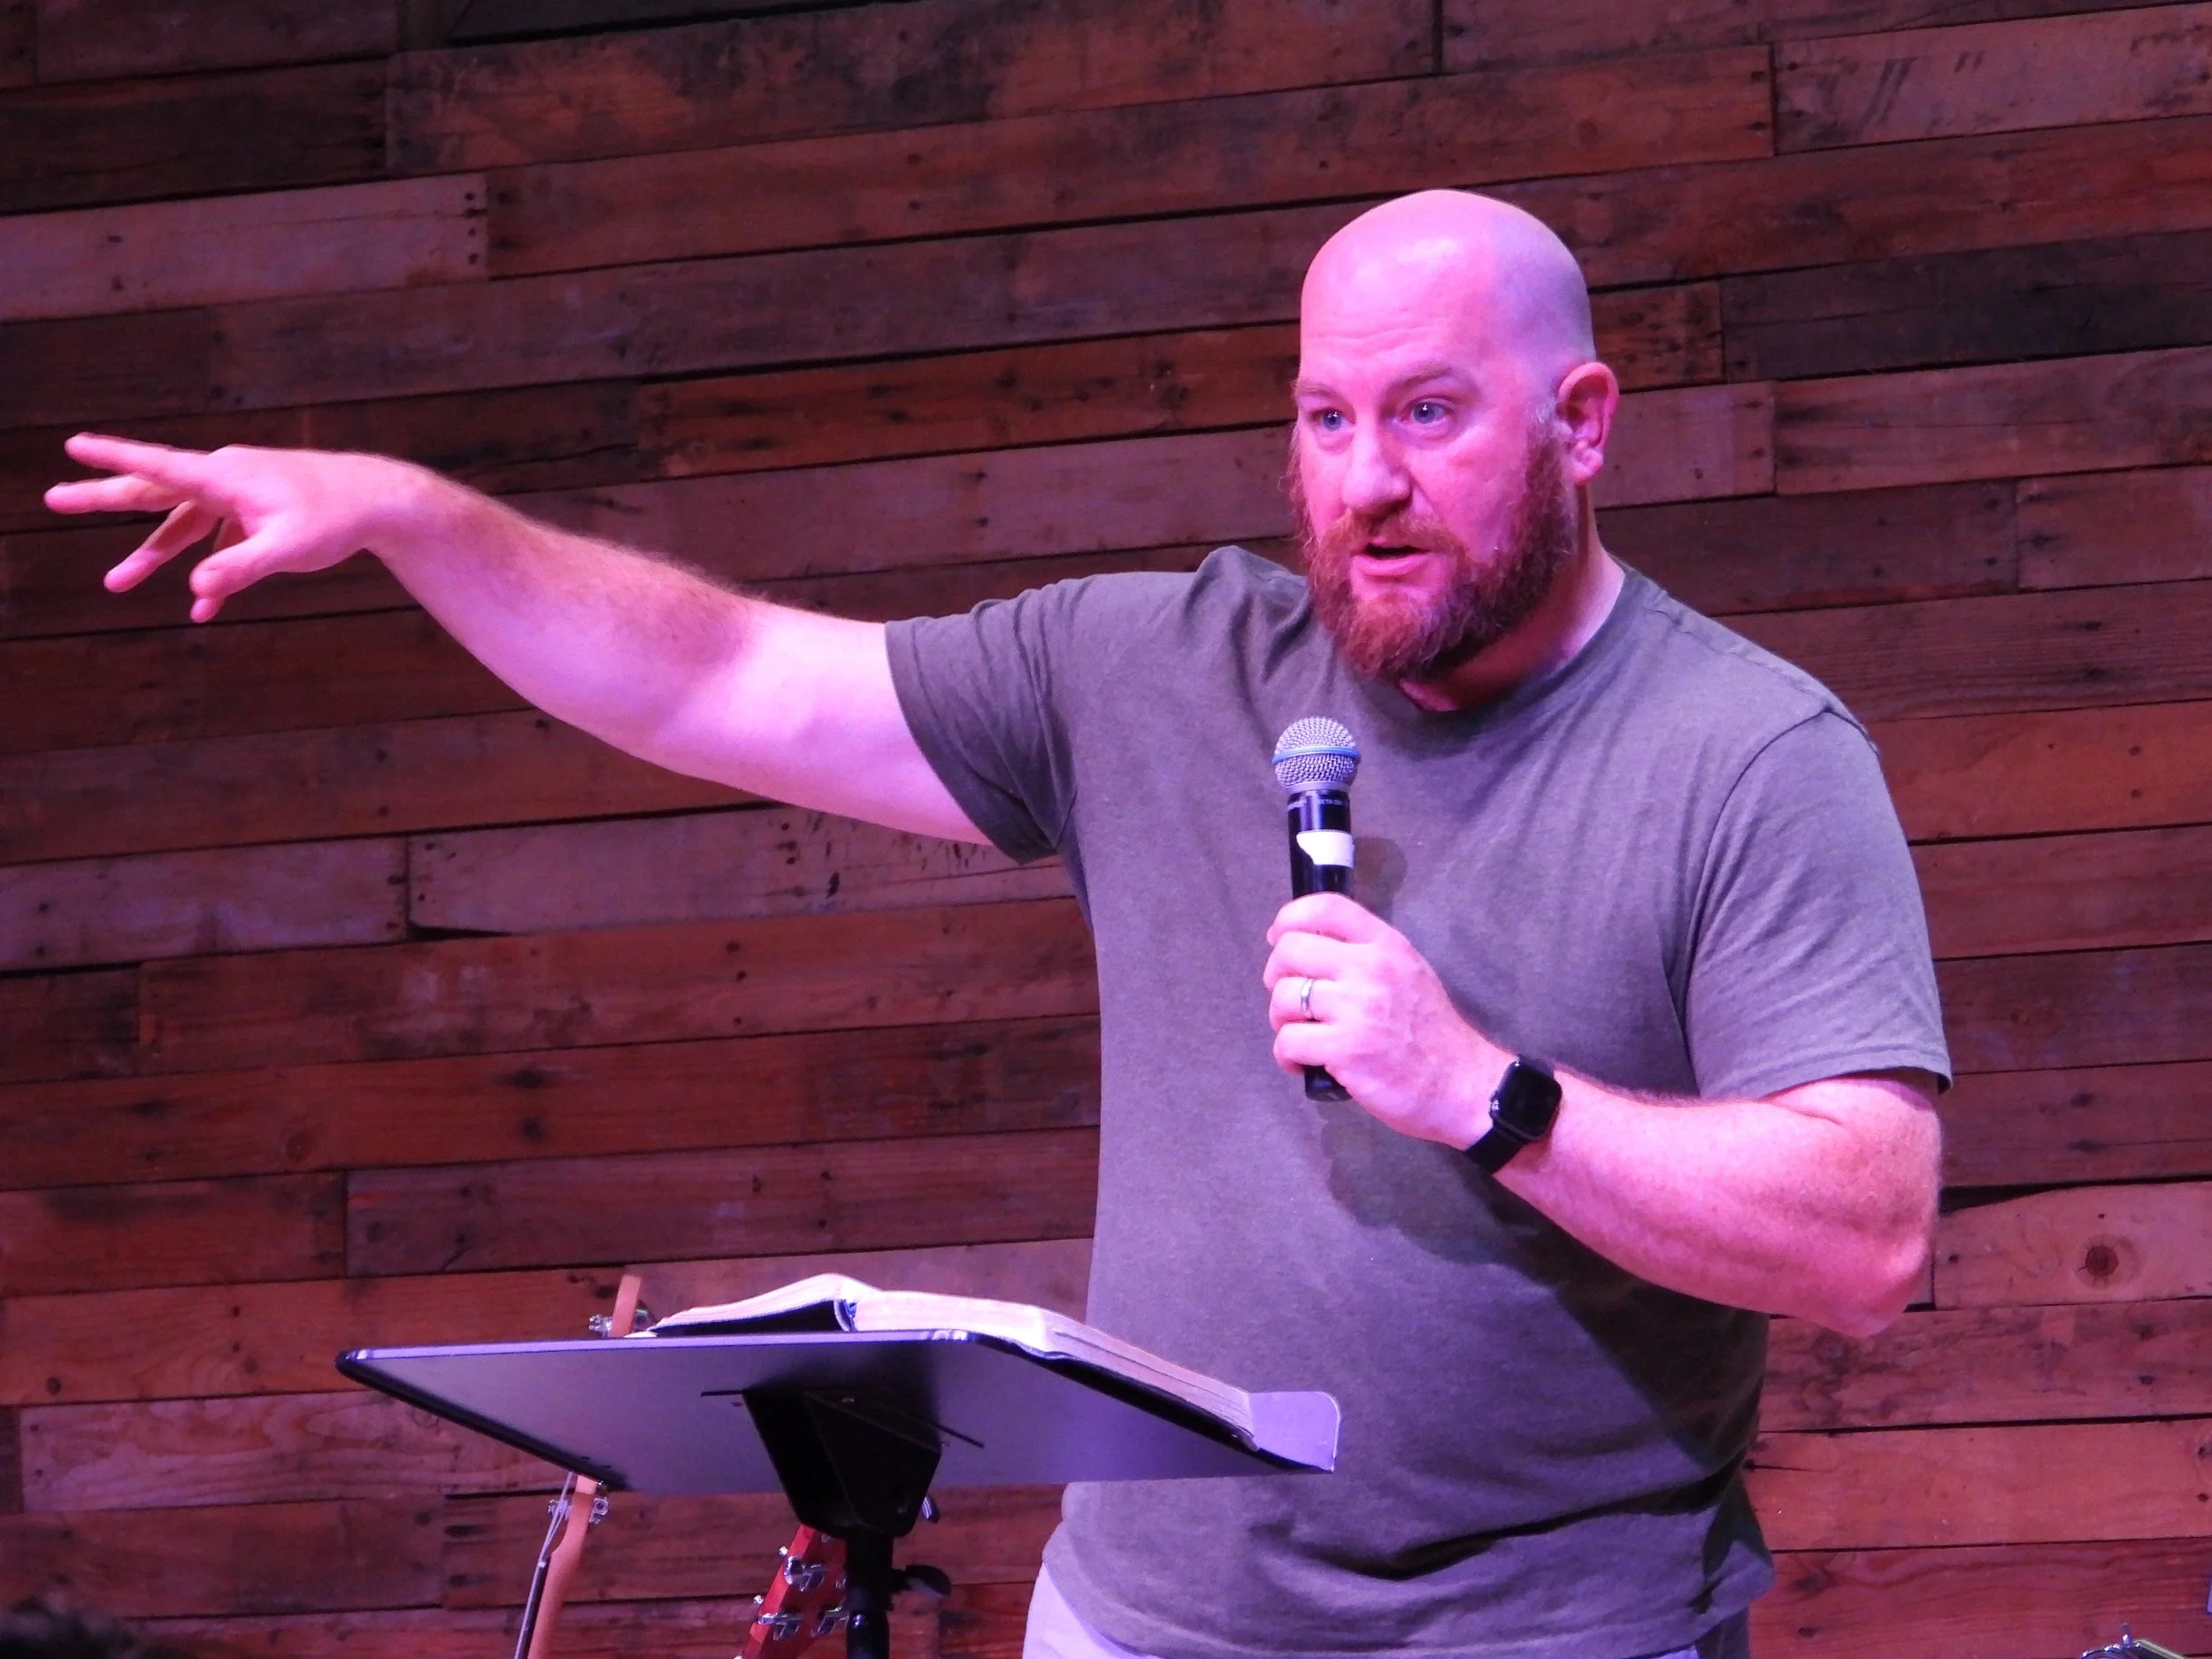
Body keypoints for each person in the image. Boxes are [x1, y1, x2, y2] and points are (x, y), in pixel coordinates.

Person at [49, 190, 1947, 1659]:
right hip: (1136, 1623)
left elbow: (1862, 1229)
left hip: (1547, 1632)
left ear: (1581, 420)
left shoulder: (1743, 753)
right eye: (1322, 417)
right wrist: (412, 516)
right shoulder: (1157, 666)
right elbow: (718, 675)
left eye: (1429, 416)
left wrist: (1483, 1093)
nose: (1363, 484)